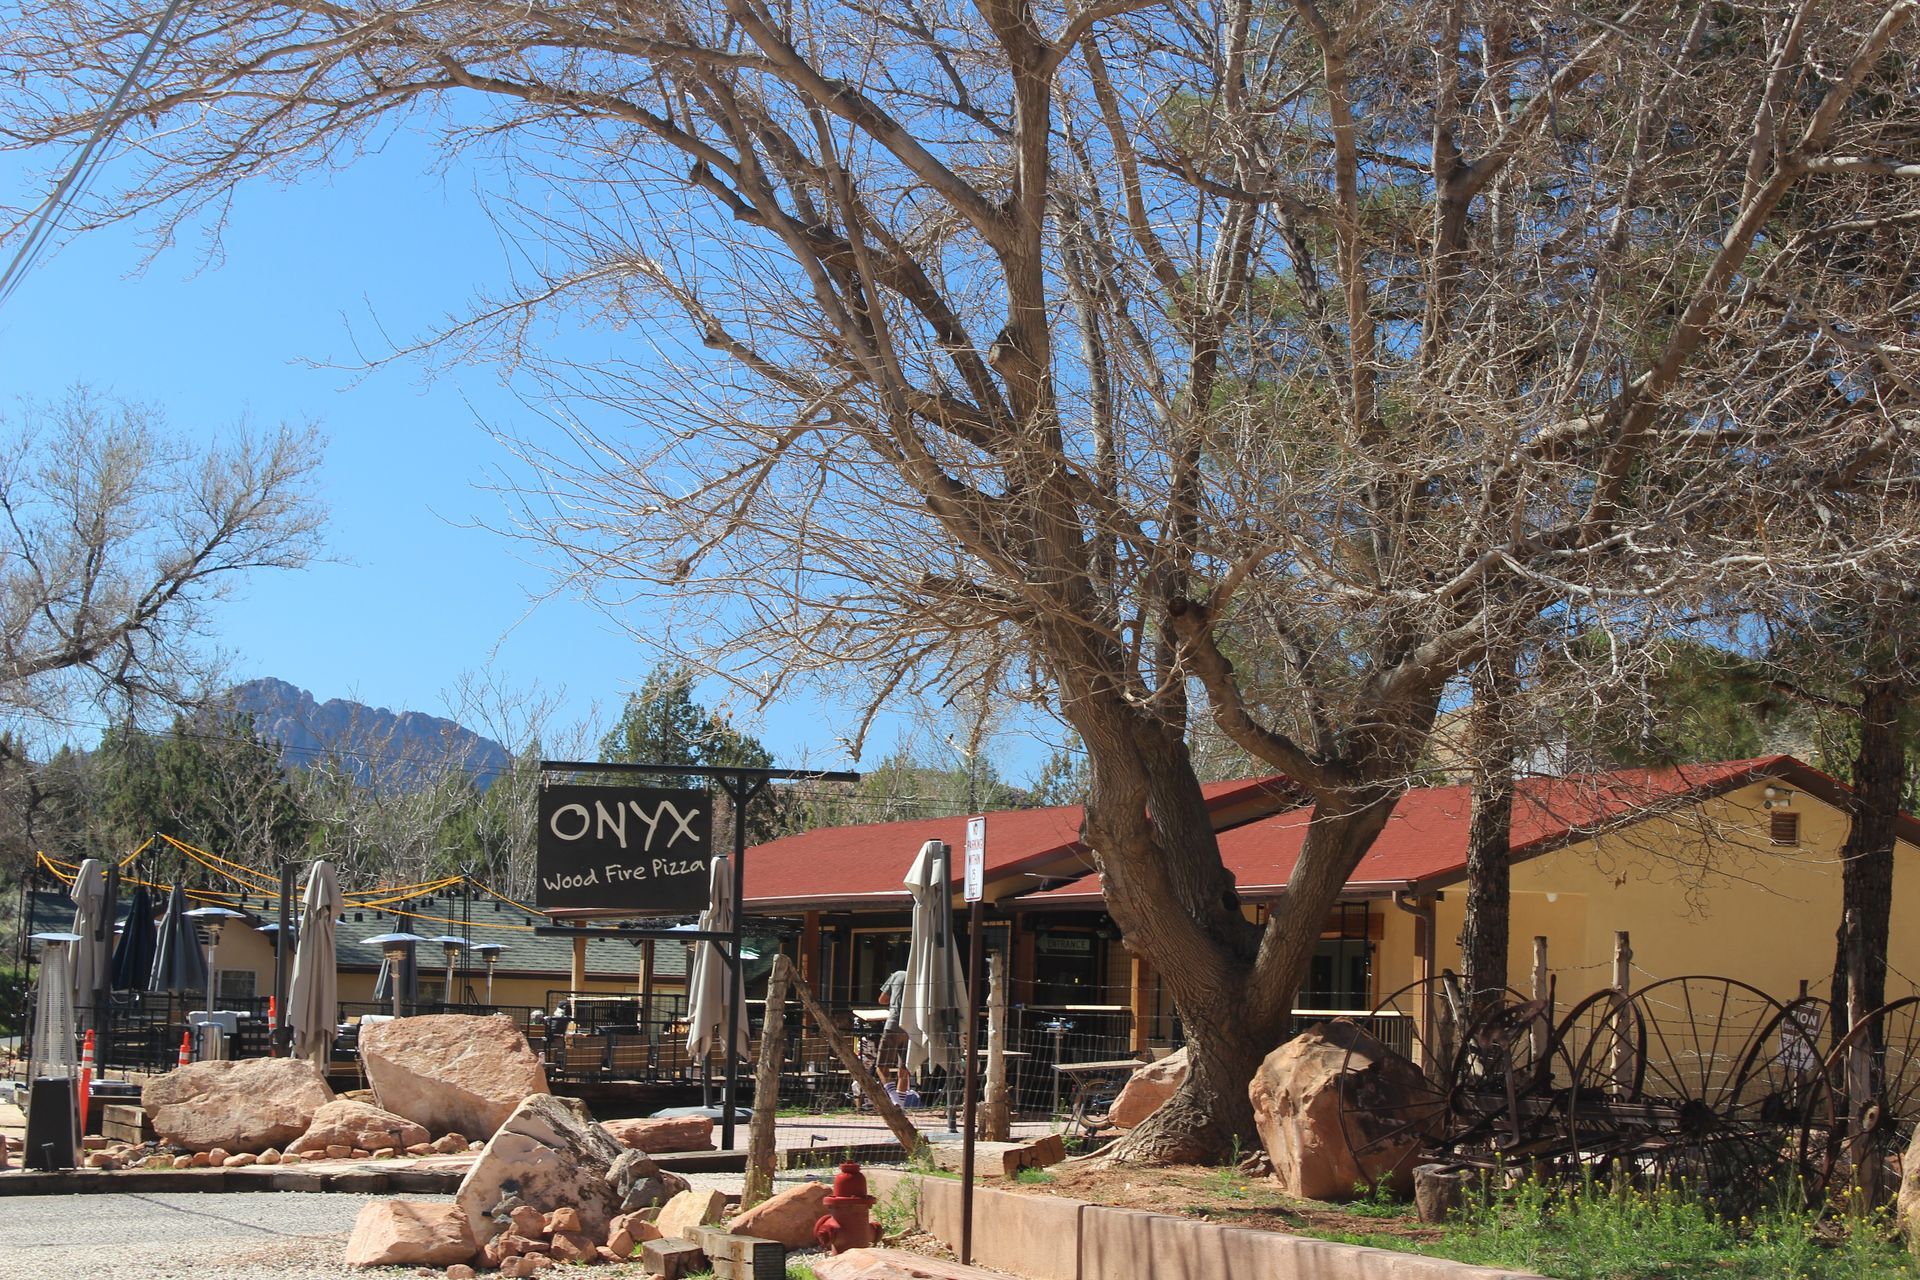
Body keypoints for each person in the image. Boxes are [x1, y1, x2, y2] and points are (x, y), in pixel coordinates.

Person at [877, 966, 911, 1094]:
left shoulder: (897, 975)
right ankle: (900, 1102)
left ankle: (893, 1098)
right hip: (911, 1027)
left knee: (881, 1066)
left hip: (893, 1024)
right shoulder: (922, 978)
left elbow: (882, 999)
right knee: (904, 1069)